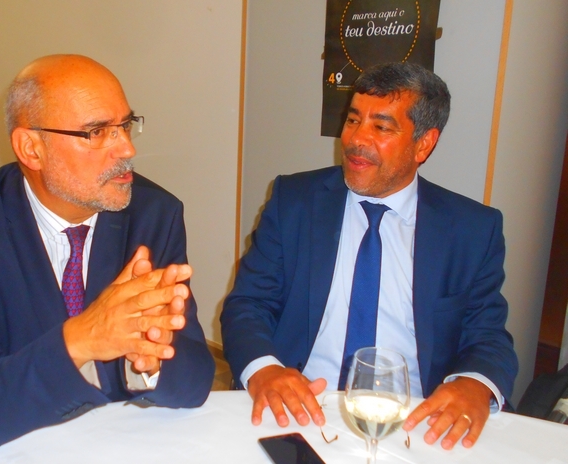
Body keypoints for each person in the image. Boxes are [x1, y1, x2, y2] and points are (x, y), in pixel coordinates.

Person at [0, 55, 215, 458]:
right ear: (31, 148)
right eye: (96, 132)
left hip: (125, 445)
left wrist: (152, 361)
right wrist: (81, 339)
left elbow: (196, 380)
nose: (127, 147)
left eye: (125, 125)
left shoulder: (154, 214)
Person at [221, 62, 518, 451]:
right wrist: (266, 370)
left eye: (381, 127)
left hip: (415, 422)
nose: (356, 139)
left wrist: (474, 384)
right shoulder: (294, 201)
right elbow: (248, 304)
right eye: (353, 120)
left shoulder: (471, 229)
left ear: (424, 144)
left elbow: (488, 335)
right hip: (303, 409)